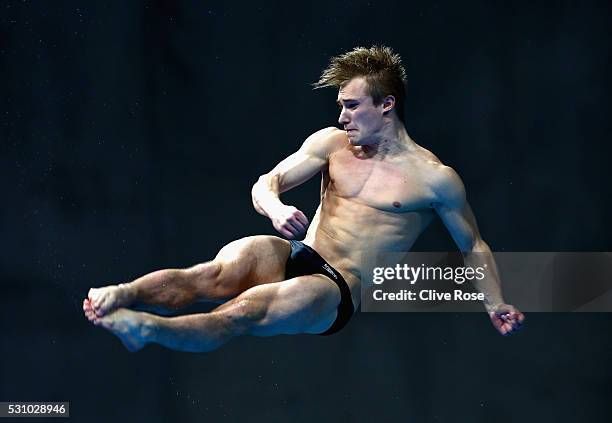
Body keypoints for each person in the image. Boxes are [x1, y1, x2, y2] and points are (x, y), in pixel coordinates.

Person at [83, 46, 524, 352]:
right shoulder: (332, 144)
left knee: (241, 313)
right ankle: (122, 294)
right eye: (341, 105)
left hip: (335, 291)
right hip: (298, 253)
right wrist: (275, 208)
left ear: (387, 104)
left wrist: (495, 301)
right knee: (216, 274)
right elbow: (266, 181)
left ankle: (148, 330)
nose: (342, 116)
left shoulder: (434, 180)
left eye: (352, 106)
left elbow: (472, 246)